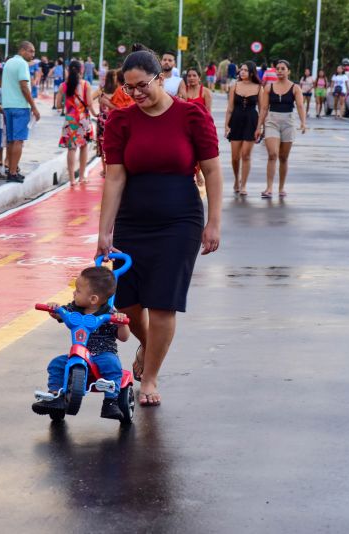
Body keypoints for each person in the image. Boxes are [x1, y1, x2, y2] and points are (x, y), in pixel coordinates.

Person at [97, 46, 222, 406]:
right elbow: (115, 179)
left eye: (142, 85)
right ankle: (149, 347)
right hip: (132, 220)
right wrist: (104, 232)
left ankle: (149, 378)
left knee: (164, 303)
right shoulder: (121, 121)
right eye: (129, 87)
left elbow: (212, 171)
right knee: (129, 303)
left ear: (162, 78)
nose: (136, 94)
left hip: (179, 220)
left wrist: (213, 222)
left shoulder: (192, 116)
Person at [31, 266, 131, 420]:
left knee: (112, 365)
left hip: (102, 354)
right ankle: (54, 396)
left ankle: (111, 401)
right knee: (57, 364)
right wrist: (54, 309)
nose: (74, 293)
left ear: (93, 299)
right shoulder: (74, 308)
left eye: (78, 290)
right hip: (79, 353)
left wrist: (121, 323)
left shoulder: (110, 314)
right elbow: (58, 314)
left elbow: (124, 337)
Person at [258, 59, 306, 199]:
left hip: (288, 122)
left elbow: (300, 106)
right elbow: (264, 108)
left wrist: (303, 122)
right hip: (272, 121)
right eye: (278, 68)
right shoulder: (268, 87)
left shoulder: (295, 88)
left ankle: (281, 187)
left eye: (283, 68)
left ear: (288, 71)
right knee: (272, 154)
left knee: (283, 157)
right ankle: (269, 188)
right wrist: (259, 126)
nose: (279, 71)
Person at [1, 41, 40, 183]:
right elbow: (24, 87)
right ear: (23, 50)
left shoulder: (9, 63)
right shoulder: (22, 64)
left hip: (8, 106)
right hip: (20, 106)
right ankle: (12, 172)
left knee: (11, 140)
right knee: (18, 141)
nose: (32, 55)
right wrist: (34, 107)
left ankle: (10, 169)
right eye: (31, 51)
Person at [224, 61, 262, 196]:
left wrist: (259, 127)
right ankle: (236, 180)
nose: (242, 72)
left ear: (251, 72)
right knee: (235, 157)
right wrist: (226, 125)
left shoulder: (259, 88)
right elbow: (230, 108)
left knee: (246, 155)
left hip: (251, 121)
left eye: (245, 70)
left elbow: (262, 109)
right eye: (241, 70)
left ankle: (244, 184)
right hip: (236, 121)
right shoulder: (235, 86)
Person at [57, 59, 96, 186]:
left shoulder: (63, 85)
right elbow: (89, 103)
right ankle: (82, 177)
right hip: (83, 119)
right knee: (84, 146)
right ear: (81, 70)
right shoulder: (86, 85)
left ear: (69, 70)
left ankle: (72, 179)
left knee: (71, 149)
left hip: (70, 120)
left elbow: (58, 105)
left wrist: (67, 105)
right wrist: (95, 114)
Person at [94, 68, 118, 175]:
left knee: (104, 146)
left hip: (103, 120)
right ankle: (109, 170)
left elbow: (89, 100)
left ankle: (105, 170)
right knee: (111, 146)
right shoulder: (120, 91)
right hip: (114, 121)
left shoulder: (101, 90)